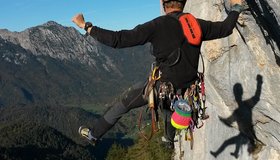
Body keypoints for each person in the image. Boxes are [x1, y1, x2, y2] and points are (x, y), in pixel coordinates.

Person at [72, 0, 244, 149]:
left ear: (163, 3)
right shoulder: (197, 25)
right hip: (187, 89)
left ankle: (94, 134)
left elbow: (118, 39)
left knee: (125, 103)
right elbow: (226, 28)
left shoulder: (157, 25)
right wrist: (236, 7)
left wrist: (86, 26)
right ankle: (169, 139)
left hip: (162, 87)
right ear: (183, 3)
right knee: (170, 110)